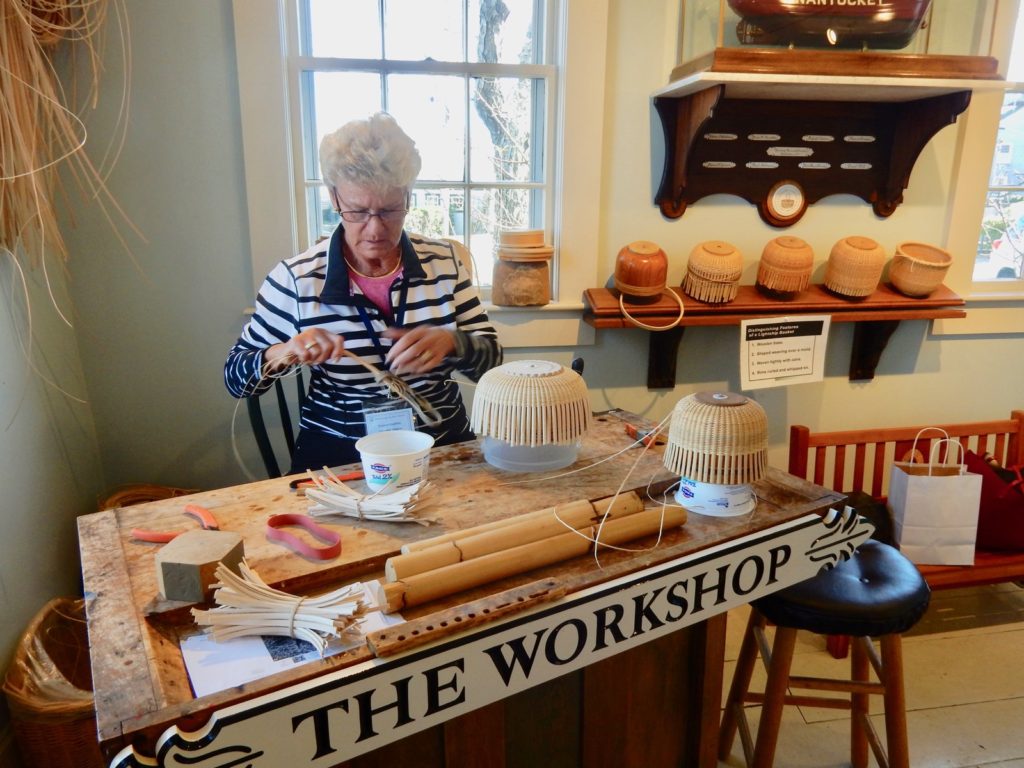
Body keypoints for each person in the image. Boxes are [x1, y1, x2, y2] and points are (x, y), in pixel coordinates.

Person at [225, 112, 502, 474]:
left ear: (408, 195)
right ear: (334, 197)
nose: (374, 229)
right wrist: (287, 351)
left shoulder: (445, 263)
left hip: (440, 446)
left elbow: (493, 363)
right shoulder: (297, 280)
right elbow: (236, 378)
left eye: (389, 210)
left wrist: (454, 344)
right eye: (357, 211)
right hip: (341, 455)